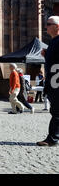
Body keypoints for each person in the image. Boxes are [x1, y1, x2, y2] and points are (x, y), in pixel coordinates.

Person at [37, 16, 59, 146]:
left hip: (57, 83)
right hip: (53, 82)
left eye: (48, 24)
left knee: (56, 111)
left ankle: (53, 138)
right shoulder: (54, 41)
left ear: (57, 27)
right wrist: (47, 54)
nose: (46, 27)